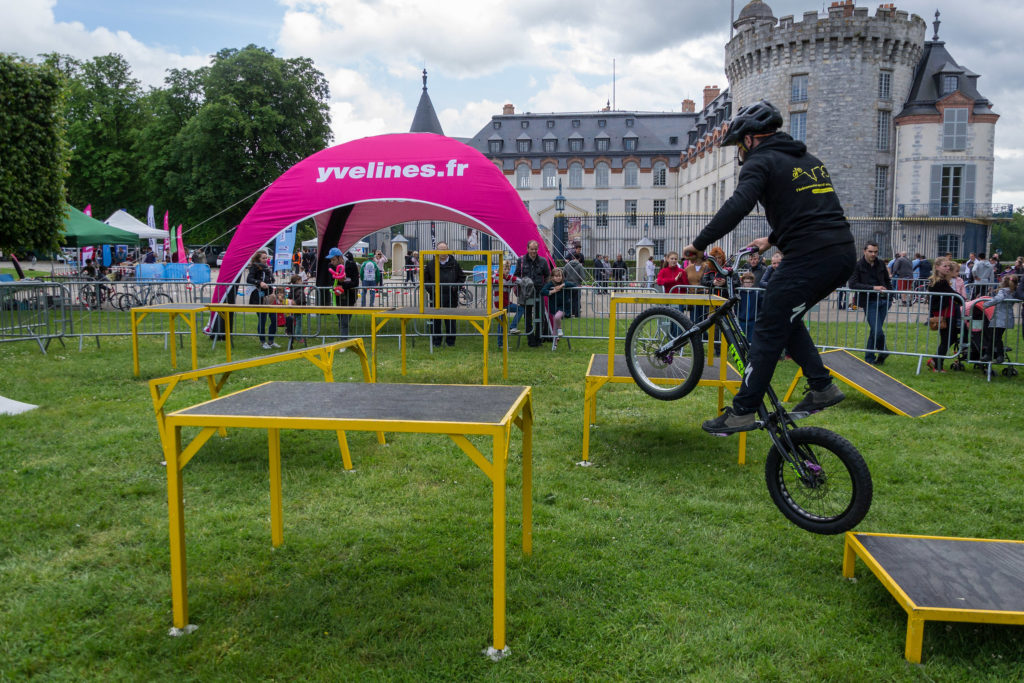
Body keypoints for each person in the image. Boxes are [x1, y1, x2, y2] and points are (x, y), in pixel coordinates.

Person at [680, 100, 855, 434]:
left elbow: (737, 205)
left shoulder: (760, 161)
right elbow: (811, 210)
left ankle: (743, 410)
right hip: (841, 253)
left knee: (767, 327)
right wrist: (771, 239)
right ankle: (821, 386)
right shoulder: (808, 161)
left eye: (739, 147)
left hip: (809, 258)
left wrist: (700, 244)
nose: (740, 155)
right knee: (785, 318)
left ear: (749, 140)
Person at [848, 241, 892, 365]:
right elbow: (853, 284)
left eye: (875, 252)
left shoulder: (881, 264)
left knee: (874, 330)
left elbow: (887, 281)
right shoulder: (857, 265)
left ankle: (869, 358)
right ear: (864, 251)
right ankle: (883, 351)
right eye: (870, 251)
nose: (873, 254)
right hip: (869, 301)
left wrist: (890, 296)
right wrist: (873, 288)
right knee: (877, 330)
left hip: (884, 301)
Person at [423, 242, 465, 346]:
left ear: (448, 250)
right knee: (435, 321)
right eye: (440, 249)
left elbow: (461, 277)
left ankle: (450, 342)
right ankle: (436, 342)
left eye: (444, 249)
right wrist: (432, 290)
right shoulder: (431, 264)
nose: (442, 252)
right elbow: (425, 280)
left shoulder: (454, 263)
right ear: (436, 250)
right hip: (436, 297)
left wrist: (456, 287)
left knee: (450, 321)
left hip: (451, 296)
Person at [925, 257, 962, 372]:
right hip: (944, 314)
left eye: (948, 266)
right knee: (947, 339)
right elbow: (953, 294)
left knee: (951, 337)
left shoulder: (942, 281)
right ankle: (937, 365)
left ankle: (935, 360)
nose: (947, 268)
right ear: (937, 267)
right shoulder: (939, 282)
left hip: (947, 312)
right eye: (944, 266)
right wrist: (963, 300)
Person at [516, 240, 551, 347]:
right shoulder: (521, 261)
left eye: (535, 249)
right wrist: (522, 284)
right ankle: (530, 340)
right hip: (526, 294)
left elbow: (548, 276)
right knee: (527, 317)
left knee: (539, 316)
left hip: (539, 292)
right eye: (531, 249)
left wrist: (545, 287)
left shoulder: (543, 261)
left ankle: (538, 338)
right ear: (527, 249)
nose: (534, 251)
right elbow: (516, 275)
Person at [982, 274, 1018, 363]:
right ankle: (990, 355)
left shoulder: (1003, 291)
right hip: (1007, 317)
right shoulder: (1013, 292)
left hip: (999, 318)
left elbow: (999, 298)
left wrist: (985, 304)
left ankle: (998, 356)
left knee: (995, 337)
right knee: (995, 337)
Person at [247, 251, 277, 348]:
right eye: (263, 258)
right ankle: (263, 342)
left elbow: (271, 281)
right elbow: (249, 279)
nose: (266, 260)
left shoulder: (267, 268)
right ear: (258, 259)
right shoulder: (254, 267)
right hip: (258, 297)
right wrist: (259, 282)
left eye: (266, 258)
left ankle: (271, 341)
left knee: (274, 319)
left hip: (268, 296)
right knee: (262, 319)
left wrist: (273, 292)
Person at [540, 267, 576, 350]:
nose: (558, 277)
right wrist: (552, 291)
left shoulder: (564, 282)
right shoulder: (550, 284)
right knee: (554, 325)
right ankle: (555, 343)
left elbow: (574, 285)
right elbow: (542, 291)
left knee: (557, 317)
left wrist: (563, 285)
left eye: (560, 276)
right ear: (552, 277)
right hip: (554, 306)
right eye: (556, 276)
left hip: (564, 306)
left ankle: (560, 329)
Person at [492, 260, 522, 345]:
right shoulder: (497, 276)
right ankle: (512, 327)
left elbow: (518, 281)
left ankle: (500, 343)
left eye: (508, 269)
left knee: (502, 323)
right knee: (520, 309)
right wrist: (498, 282)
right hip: (501, 303)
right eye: (505, 269)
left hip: (505, 303)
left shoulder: (508, 278)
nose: (507, 271)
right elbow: (486, 281)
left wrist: (512, 279)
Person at [285, 274, 306, 346]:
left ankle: (293, 334)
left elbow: (290, 296)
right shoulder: (299, 289)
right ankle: (298, 336)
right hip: (298, 307)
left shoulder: (292, 288)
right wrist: (297, 302)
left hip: (294, 307)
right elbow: (301, 298)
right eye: (301, 280)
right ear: (297, 281)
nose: (302, 282)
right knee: (298, 322)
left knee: (295, 321)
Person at [737, 272, 758, 341]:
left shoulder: (756, 293)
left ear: (753, 283)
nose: (748, 284)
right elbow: (736, 306)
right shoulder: (740, 293)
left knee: (751, 339)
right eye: (746, 282)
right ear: (742, 283)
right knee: (742, 339)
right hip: (742, 321)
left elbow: (760, 306)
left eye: (750, 282)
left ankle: (750, 352)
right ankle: (742, 351)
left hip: (753, 321)